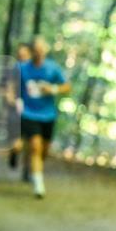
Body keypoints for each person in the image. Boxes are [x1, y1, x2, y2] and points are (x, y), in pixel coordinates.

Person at [19, 37, 70, 199]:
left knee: (43, 150)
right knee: (35, 146)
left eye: (42, 50)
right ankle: (38, 184)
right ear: (32, 51)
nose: (39, 53)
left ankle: (32, 168)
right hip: (28, 113)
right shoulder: (22, 69)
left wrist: (53, 89)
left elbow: (67, 86)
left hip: (48, 115)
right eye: (36, 50)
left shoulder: (52, 68)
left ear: (45, 51)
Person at [3, 42, 32, 177]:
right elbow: (5, 87)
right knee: (17, 141)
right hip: (15, 110)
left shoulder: (34, 70)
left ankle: (27, 169)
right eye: (20, 55)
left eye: (25, 55)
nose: (22, 57)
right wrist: (12, 101)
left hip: (33, 111)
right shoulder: (12, 69)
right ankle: (14, 153)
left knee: (31, 141)